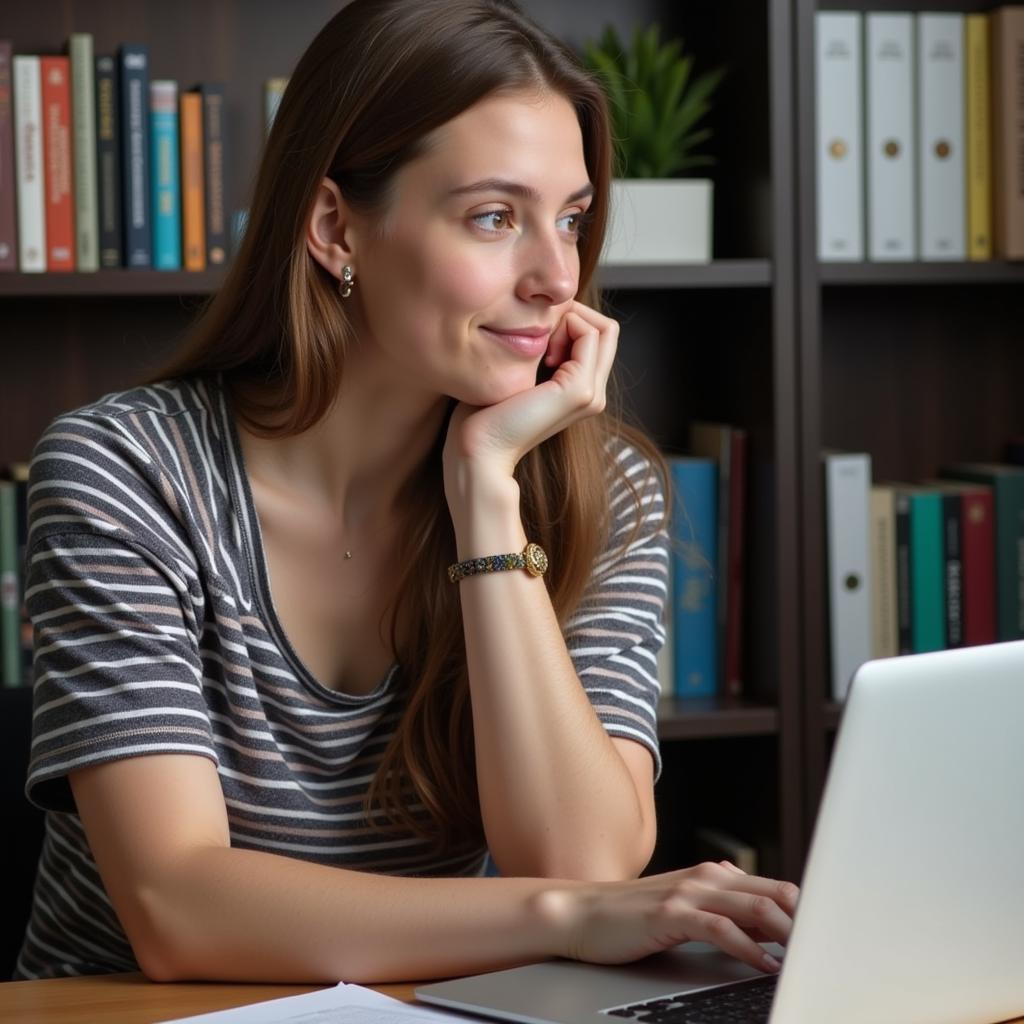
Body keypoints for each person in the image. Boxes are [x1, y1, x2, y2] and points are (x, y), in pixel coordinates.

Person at [15, 0, 797, 983]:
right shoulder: (125, 473)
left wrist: (483, 492)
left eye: (570, 218)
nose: (558, 275)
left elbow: (582, 856)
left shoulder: (603, 491)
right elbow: (179, 908)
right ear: (337, 225)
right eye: (493, 216)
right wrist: (563, 913)